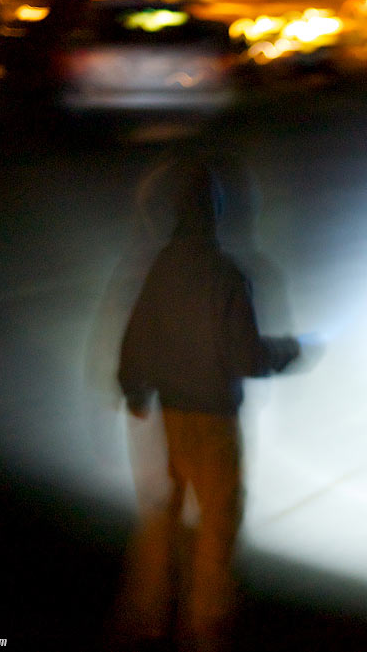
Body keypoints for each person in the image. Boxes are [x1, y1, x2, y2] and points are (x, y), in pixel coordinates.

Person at [114, 154, 299, 652]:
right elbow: (246, 357)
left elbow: (138, 335)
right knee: (218, 520)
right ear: (217, 213)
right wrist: (285, 352)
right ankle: (206, 627)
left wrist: (134, 390)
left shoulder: (162, 267)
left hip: (169, 417)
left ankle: (145, 615)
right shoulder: (227, 275)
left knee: (162, 514)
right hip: (215, 420)